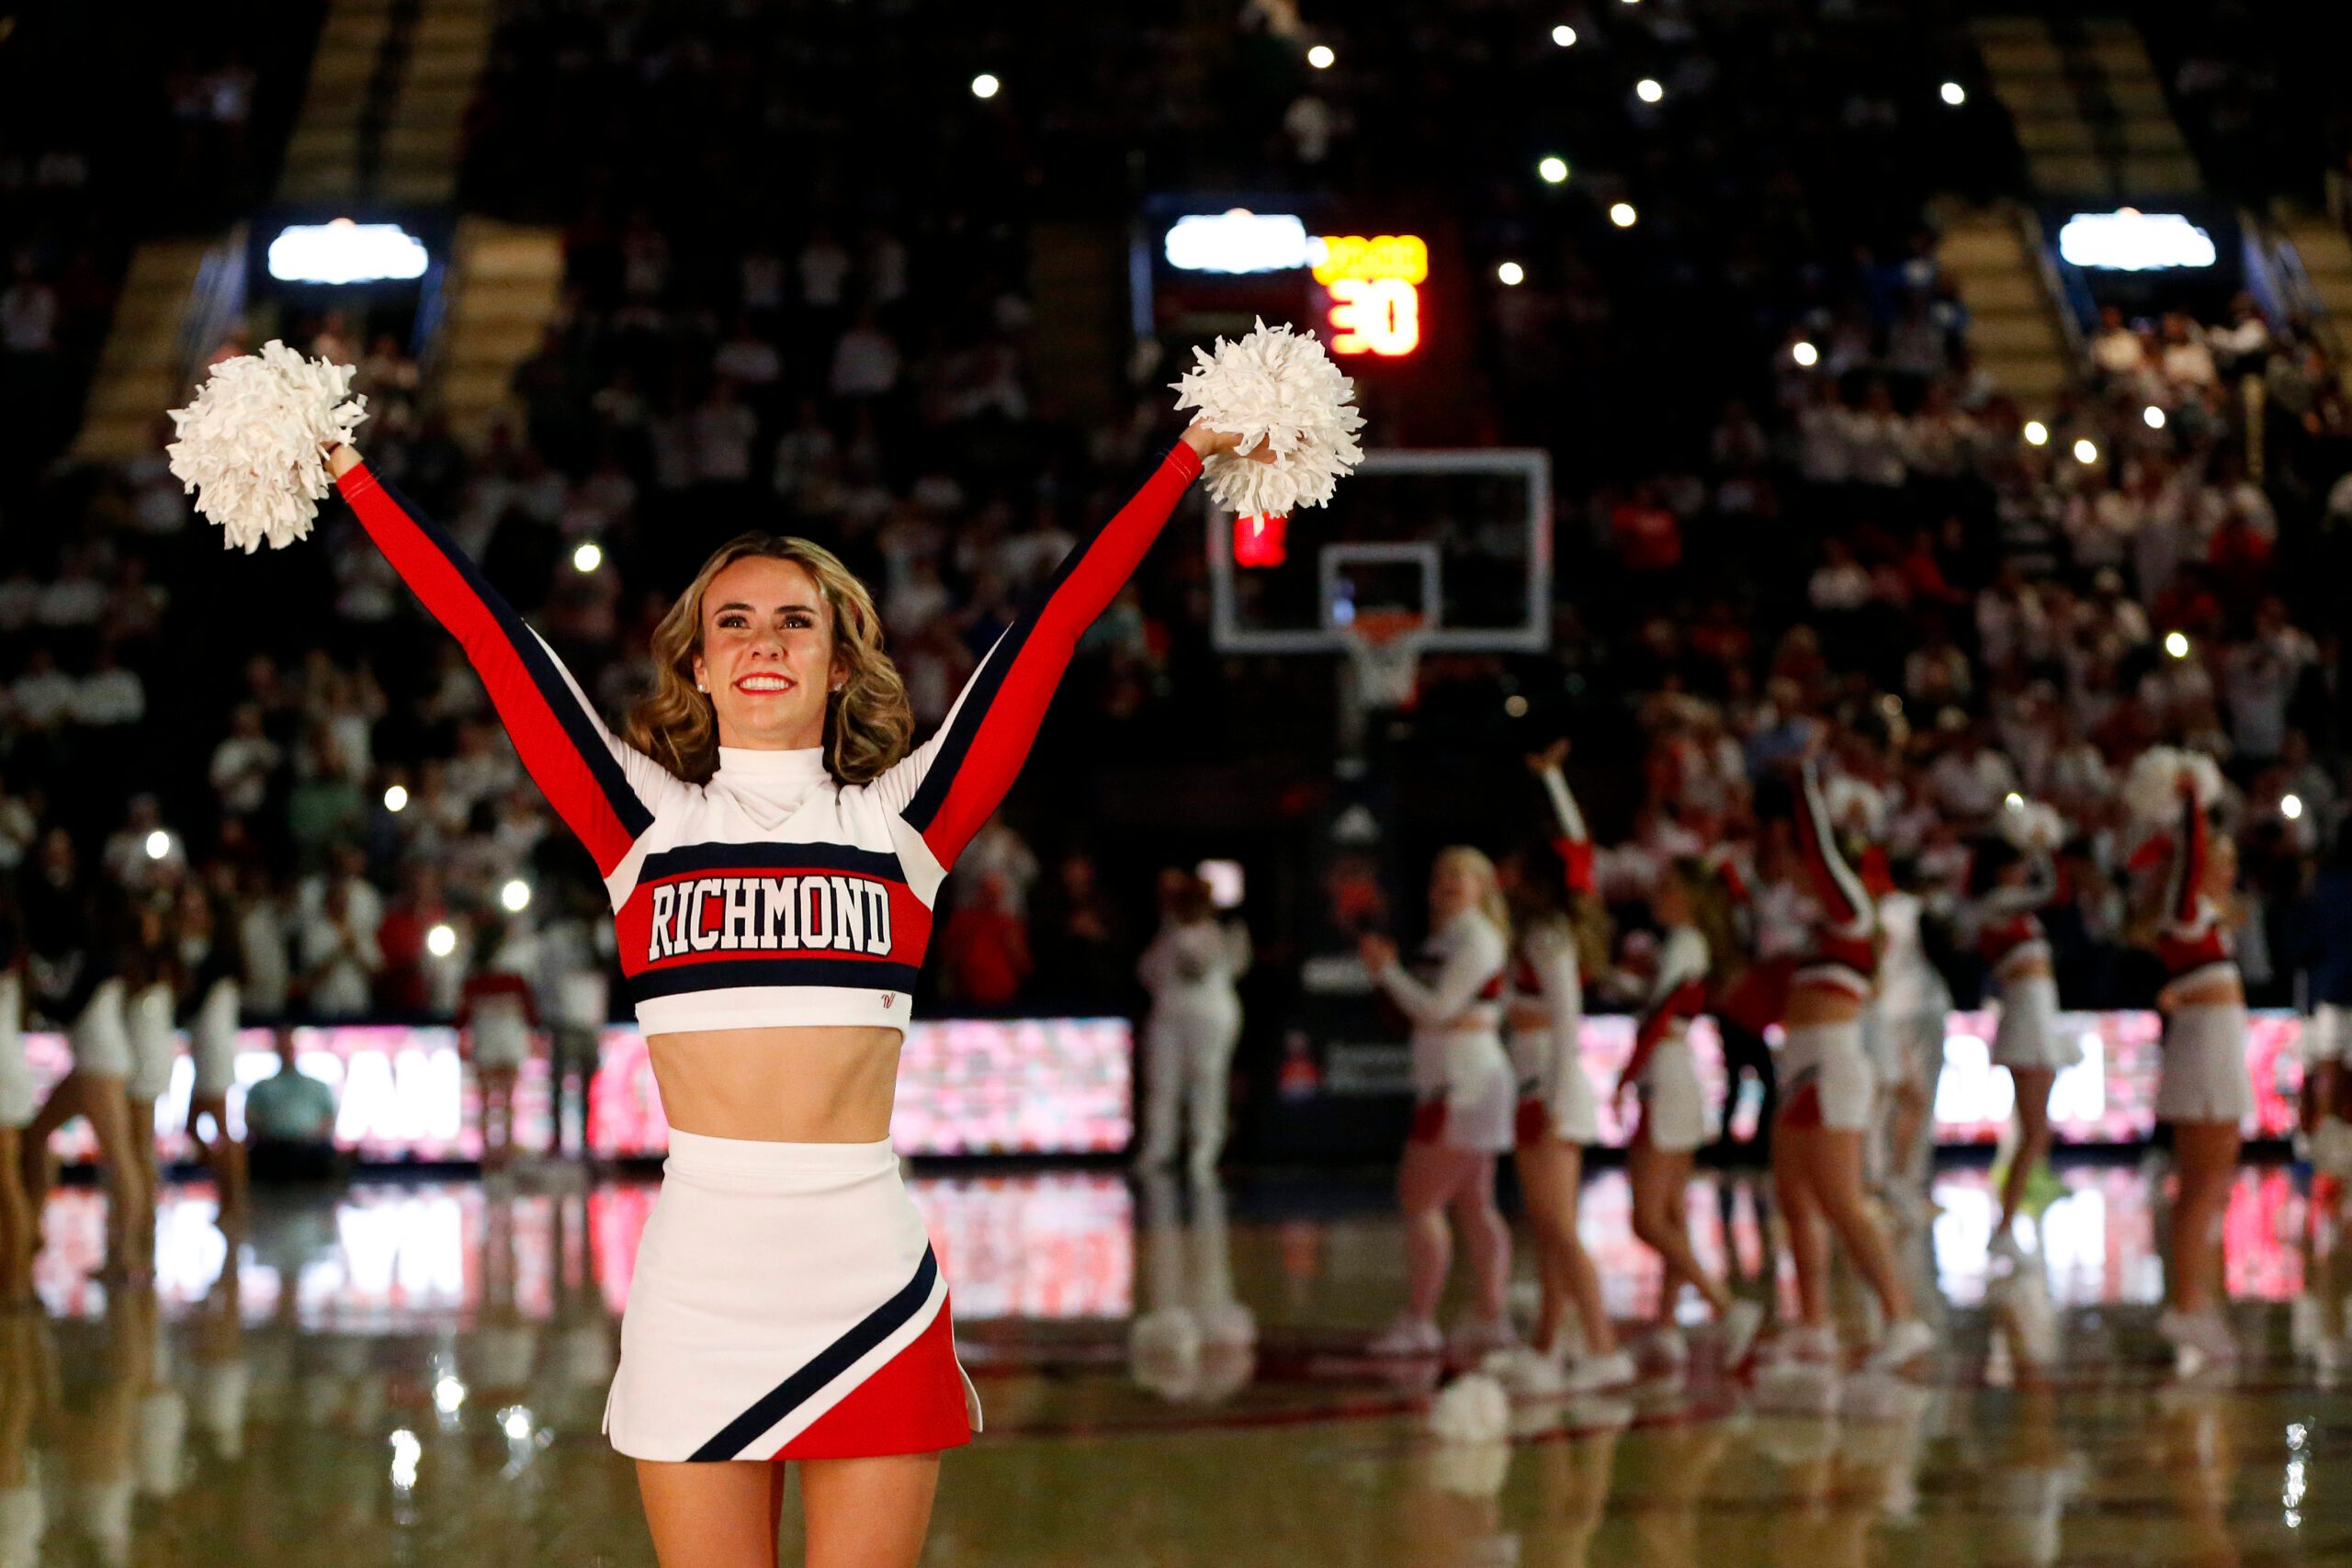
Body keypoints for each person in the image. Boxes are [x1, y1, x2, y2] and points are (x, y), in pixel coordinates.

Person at [322, 415, 1250, 1567]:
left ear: (842, 659)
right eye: (735, 621)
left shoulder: (901, 824)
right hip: (698, 1277)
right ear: (698, 663)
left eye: (796, 620)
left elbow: (1051, 627)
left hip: (865, 1272)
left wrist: (1180, 456)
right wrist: (347, 469)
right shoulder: (641, 826)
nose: (765, 640)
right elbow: (486, 630)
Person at [1772, 755, 1931, 1368]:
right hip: (1800, 1065)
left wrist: (1804, 781)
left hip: (1835, 1064)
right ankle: (1812, 1322)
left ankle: (1901, 1316)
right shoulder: (1821, 924)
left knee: (1840, 1197)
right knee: (1792, 1193)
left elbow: (1817, 847)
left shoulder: (1852, 912)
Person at [1501, 743, 1627, 1386]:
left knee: (1555, 1223)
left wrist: (1550, 1097)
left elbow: (1568, 1014)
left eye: (1513, 867)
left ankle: (1603, 1346)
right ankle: (1550, 1342)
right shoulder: (1529, 931)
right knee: (1550, 1225)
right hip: (1537, 1083)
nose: (1504, 873)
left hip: (1552, 1084)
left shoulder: (1549, 933)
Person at [1360, 847, 1517, 1357]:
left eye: (1460, 875)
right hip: (1452, 1078)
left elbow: (1437, 1008)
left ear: (1483, 886)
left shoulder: (1476, 938)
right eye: (1441, 873)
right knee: (1474, 1203)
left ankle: (1421, 1318)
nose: (1448, 882)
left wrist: (1387, 973)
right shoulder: (1445, 938)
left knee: (1420, 1198)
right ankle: (1491, 1316)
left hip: (1462, 1083)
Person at [1616, 861, 1761, 1373]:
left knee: (1647, 1218)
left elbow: (1662, 1014)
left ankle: (1725, 1305)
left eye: (1667, 884)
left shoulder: (1685, 941)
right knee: (1672, 1214)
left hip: (1668, 1075)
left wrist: (1625, 1076)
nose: (1657, 891)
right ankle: (1666, 1329)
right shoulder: (1685, 944)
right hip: (1679, 1074)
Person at [2146, 774, 2251, 1375]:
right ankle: (2185, 1303)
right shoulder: (2183, 909)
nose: (2227, 869)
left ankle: (2196, 1299)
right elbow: (2189, 858)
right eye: (2222, 858)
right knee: (2201, 1182)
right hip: (2204, 1051)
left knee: (2216, 1180)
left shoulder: (2207, 915)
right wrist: (2191, 798)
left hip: (2217, 1047)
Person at [1965, 837, 2075, 1258]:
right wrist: (2044, 847)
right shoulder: (1995, 907)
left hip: (2042, 1019)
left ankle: (2016, 1213)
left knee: (2036, 1130)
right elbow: (2052, 890)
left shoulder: (2019, 912)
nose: (2020, 871)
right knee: (2033, 1131)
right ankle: (2004, 1225)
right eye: (2014, 864)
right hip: (2025, 1023)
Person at [1133, 870, 1250, 1180]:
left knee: (1207, 1080)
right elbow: (1145, 973)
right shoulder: (1167, 934)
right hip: (1170, 1016)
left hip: (1210, 1017)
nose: (1188, 908)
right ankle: (1159, 1148)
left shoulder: (1221, 932)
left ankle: (1205, 1150)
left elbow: (1202, 965)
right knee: (1162, 1082)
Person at [458, 913, 540, 1174]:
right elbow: (530, 1013)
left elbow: (461, 1017)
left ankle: (489, 1152)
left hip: (488, 1040)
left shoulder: (475, 977)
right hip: (505, 1040)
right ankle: (502, 1150)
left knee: (487, 1098)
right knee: (504, 1099)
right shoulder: (513, 978)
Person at [241, 1029, 340, 1182]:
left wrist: (312, 1138)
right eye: (282, 1045)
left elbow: (330, 1117)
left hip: (310, 1147)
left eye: (290, 1046)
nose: (287, 1050)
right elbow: (249, 1117)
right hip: (272, 1147)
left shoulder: (317, 1086)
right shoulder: (261, 1086)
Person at [0, 913, 31, 1308]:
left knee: (7, 1183)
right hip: (10, 1069)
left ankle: (18, 1284)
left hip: (3, 1076)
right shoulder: (12, 972)